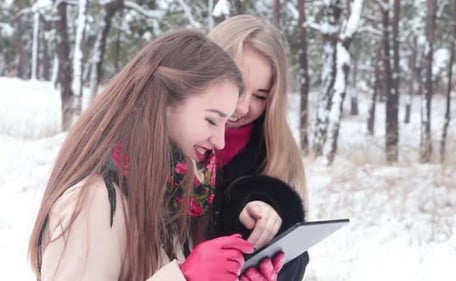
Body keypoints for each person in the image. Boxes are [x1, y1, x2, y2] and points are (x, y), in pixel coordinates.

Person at [27, 29, 281, 281]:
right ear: (164, 104)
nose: (221, 141)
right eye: (211, 120)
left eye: (225, 123)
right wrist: (184, 278)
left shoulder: (174, 197)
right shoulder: (96, 202)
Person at [207, 15, 310, 281]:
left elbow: (296, 257)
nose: (241, 107)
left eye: (260, 96)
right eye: (237, 86)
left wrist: (275, 267)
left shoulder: (276, 150)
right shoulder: (166, 135)